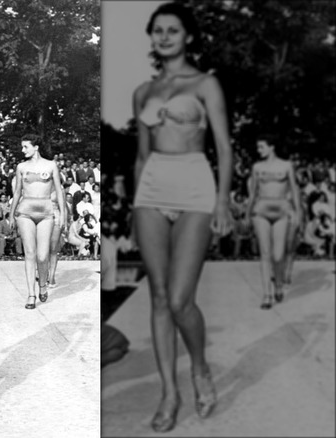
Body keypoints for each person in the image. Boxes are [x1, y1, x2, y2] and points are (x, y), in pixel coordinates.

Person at [131, 3, 232, 432]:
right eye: (158, 31)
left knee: (179, 300)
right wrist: (137, 207)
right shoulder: (143, 92)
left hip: (194, 186)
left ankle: (200, 368)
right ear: (152, 38)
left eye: (173, 30)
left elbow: (224, 147)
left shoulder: (206, 84)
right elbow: (141, 155)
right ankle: (170, 393)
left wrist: (224, 201)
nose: (165, 36)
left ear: (187, 36)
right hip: (151, 190)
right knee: (156, 295)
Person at [9, 134, 67, 309]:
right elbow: (17, 192)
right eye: (22, 147)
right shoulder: (21, 167)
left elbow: (59, 190)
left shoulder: (51, 165)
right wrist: (12, 214)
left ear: (36, 147)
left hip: (46, 213)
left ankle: (42, 285)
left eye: (25, 146)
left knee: (43, 256)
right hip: (25, 212)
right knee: (30, 253)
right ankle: (31, 295)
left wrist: (62, 214)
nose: (22, 150)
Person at [246, 135, 302, 309]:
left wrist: (298, 212)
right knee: (265, 252)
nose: (259, 150)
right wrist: (248, 214)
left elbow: (294, 190)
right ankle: (267, 295)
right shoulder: (257, 167)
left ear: (272, 147)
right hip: (261, 209)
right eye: (258, 147)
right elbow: (253, 193)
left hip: (282, 210)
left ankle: (278, 284)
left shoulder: (286, 165)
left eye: (262, 147)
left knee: (278, 254)